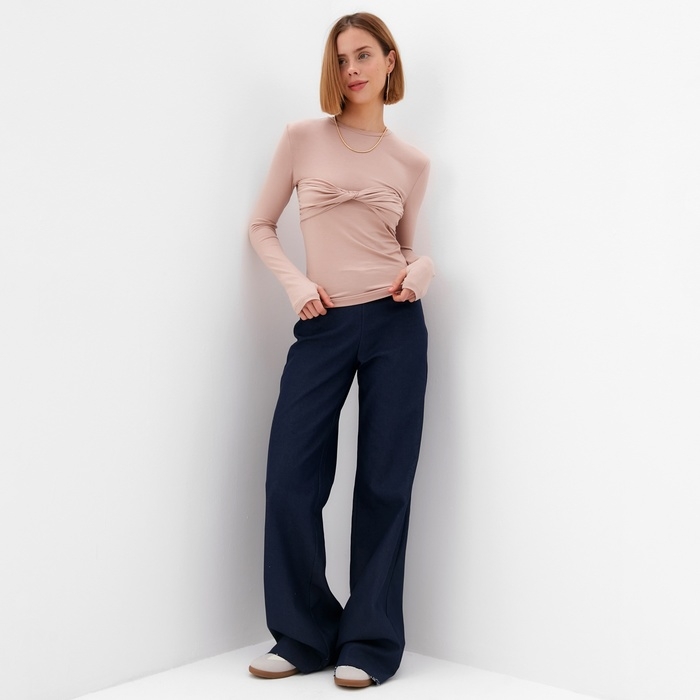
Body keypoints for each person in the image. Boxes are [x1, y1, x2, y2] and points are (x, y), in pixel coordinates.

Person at [247, 12, 434, 688]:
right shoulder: (303, 137)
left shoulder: (413, 162)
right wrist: (297, 284)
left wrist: (422, 269)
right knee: (290, 479)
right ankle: (303, 635)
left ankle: (370, 643)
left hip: (395, 322)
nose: (352, 69)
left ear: (389, 60)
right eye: (341, 59)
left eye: (363, 55)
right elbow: (261, 225)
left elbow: (405, 246)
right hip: (322, 322)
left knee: (385, 483)